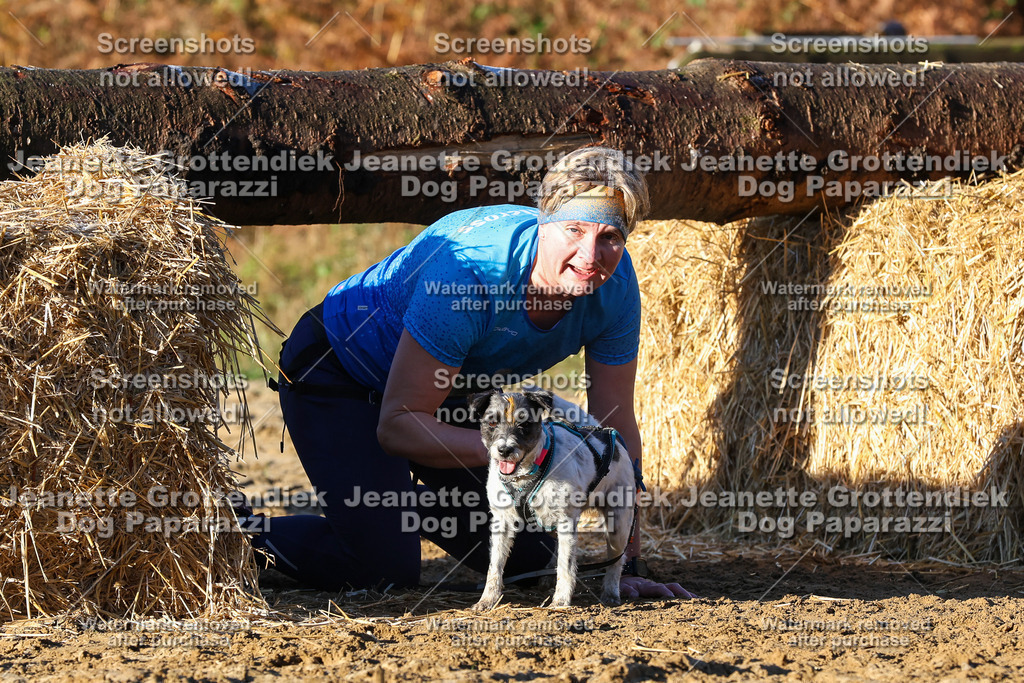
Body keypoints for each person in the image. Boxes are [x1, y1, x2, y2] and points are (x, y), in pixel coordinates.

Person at [251, 146, 694, 600]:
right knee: (381, 571)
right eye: (574, 230)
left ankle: (406, 510)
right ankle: (238, 533)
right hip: (341, 374)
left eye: (610, 238)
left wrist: (630, 562)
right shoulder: (471, 273)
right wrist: (525, 454)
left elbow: (615, 428)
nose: (590, 255)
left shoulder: (616, 287)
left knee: (532, 561)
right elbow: (398, 425)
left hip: (452, 395)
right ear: (543, 219)